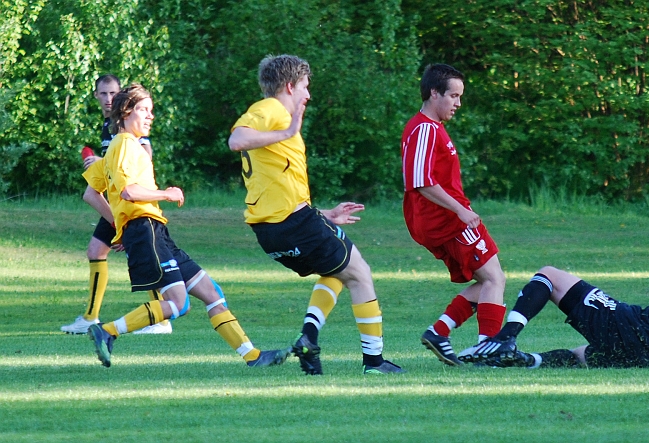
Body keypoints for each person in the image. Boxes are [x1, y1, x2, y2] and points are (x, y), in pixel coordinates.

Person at [83, 83, 288, 368]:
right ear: (127, 111)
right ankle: (107, 331)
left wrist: (119, 223)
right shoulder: (125, 145)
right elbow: (129, 191)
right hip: (145, 230)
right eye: (144, 109)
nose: (150, 115)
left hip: (154, 231)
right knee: (179, 303)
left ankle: (253, 357)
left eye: (151, 110)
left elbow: (91, 192)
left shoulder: (120, 147)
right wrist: (165, 194)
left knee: (212, 293)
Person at [228, 54, 404, 375]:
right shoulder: (272, 109)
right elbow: (236, 140)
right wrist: (287, 131)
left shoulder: (276, 116)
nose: (308, 95)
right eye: (306, 87)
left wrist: (325, 214)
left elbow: (277, 187)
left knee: (337, 271)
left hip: (272, 231)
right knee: (360, 273)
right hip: (295, 226)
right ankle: (374, 363)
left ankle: (308, 339)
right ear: (290, 85)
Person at [457, 253, 649, 369]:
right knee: (583, 355)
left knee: (550, 275)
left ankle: (506, 339)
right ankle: (527, 361)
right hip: (648, 364)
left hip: (629, 331)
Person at [400, 63, 506, 366]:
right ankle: (488, 351)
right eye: (454, 96)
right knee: (494, 279)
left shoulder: (433, 129)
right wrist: (460, 210)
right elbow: (419, 182)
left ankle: (440, 331)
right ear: (435, 93)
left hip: (448, 219)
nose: (458, 103)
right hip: (448, 221)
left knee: (490, 281)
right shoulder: (423, 128)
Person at [61, 74, 171, 335]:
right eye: (103, 94)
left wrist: (104, 160)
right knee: (97, 251)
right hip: (117, 200)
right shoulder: (108, 126)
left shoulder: (129, 127)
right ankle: (91, 317)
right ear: (96, 96)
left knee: (139, 252)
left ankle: (161, 318)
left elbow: (144, 155)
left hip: (131, 200)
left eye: (113, 93)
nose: (109, 99)